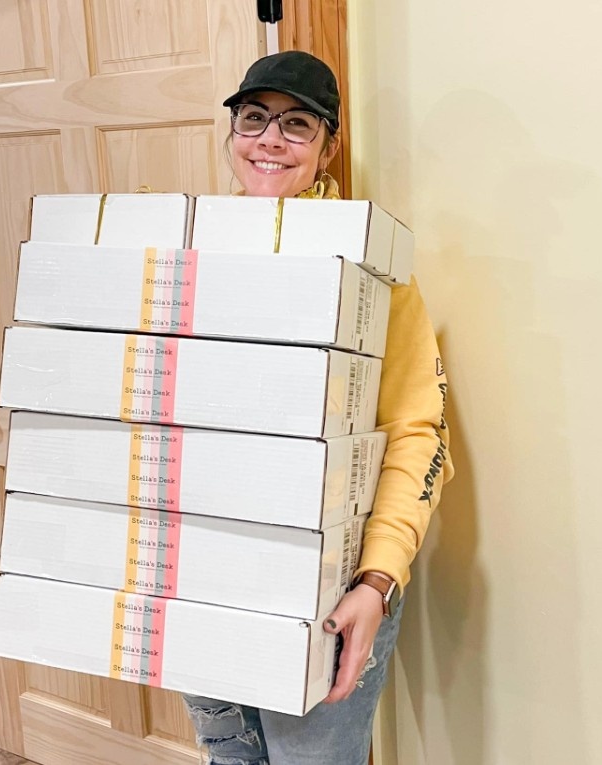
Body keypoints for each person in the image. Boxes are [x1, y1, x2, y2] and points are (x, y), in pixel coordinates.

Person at [182, 51, 454, 765]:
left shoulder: (374, 272)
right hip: (205, 574)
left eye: (296, 124)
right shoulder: (189, 252)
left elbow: (417, 433)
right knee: (230, 756)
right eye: (253, 119)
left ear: (328, 147)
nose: (269, 140)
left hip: (330, 585)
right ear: (232, 134)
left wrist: (377, 579)